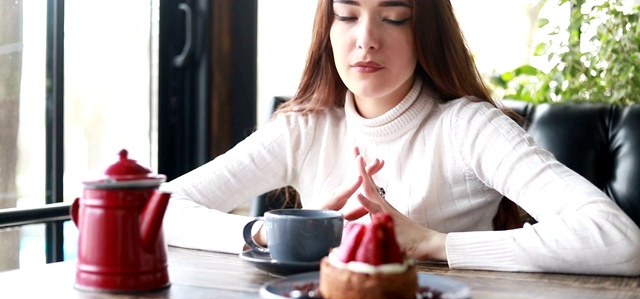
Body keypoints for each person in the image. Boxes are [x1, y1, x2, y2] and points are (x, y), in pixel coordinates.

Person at [161, 0, 640, 276]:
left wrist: (431, 243)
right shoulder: (303, 127)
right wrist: (273, 232)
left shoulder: (470, 127)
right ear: (327, 30)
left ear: (426, 32)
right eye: (347, 15)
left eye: (393, 17)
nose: (366, 39)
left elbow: (619, 241)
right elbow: (157, 210)